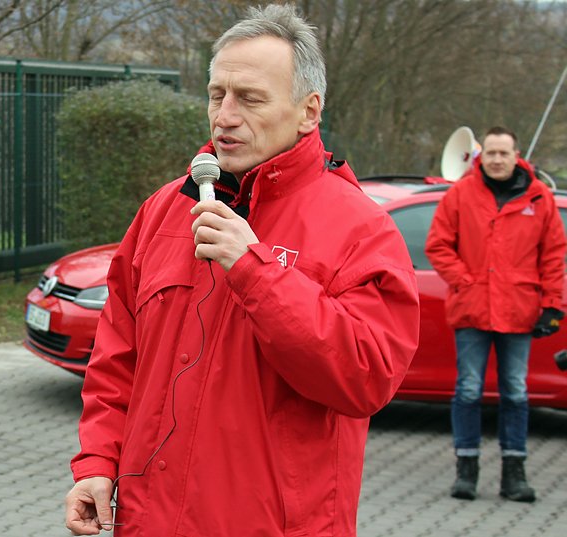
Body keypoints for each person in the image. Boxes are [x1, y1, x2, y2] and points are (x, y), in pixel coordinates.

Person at [64, 5, 420, 536]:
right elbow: (117, 360)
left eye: (250, 99)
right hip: (149, 520)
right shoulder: (164, 210)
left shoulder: (360, 229)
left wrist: (256, 270)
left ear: (308, 111)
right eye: (217, 95)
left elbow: (365, 378)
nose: (225, 116)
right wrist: (98, 462)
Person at [425, 126, 566, 503]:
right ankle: (466, 470)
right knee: (468, 390)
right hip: (472, 310)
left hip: (519, 310)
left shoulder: (540, 197)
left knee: (516, 392)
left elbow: (554, 256)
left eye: (504, 153)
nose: (497, 160)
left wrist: (554, 305)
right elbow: (438, 245)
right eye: (491, 153)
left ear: (517, 156)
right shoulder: (460, 194)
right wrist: (465, 281)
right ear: (480, 156)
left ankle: (514, 473)